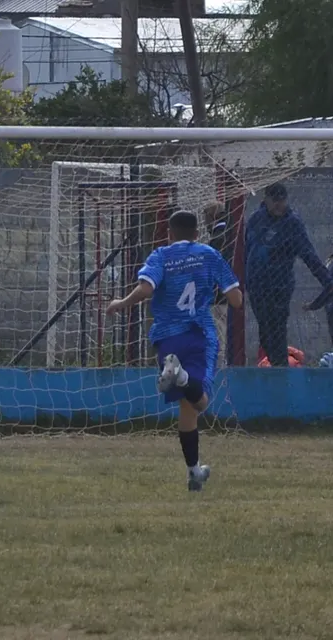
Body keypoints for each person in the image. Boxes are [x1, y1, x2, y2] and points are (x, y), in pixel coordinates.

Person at [106, 210, 242, 493]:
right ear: (196, 234)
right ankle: (179, 376)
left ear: (169, 233)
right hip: (199, 334)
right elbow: (235, 299)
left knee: (187, 408)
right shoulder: (209, 254)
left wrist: (121, 302)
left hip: (167, 338)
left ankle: (194, 472)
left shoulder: (160, 256)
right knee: (201, 403)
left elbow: (145, 289)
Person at [244, 183, 333, 367]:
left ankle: (280, 365)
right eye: (275, 201)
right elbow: (246, 250)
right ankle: (275, 361)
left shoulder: (291, 222)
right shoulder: (256, 219)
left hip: (280, 285)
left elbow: (309, 254)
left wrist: (327, 281)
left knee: (277, 327)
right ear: (266, 200)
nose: (279, 205)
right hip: (257, 285)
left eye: (282, 200)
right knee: (265, 329)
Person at [203, 201, 233, 367]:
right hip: (226, 296)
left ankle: (220, 371)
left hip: (218, 298)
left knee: (219, 339)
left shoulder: (218, 237)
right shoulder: (229, 232)